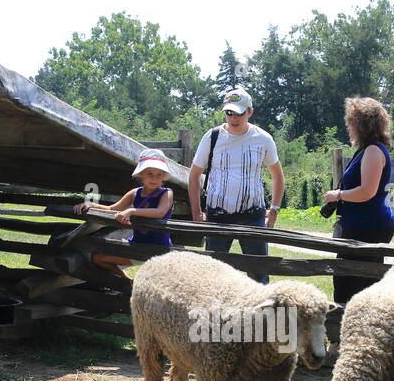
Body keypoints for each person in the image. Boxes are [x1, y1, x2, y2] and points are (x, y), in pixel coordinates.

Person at [189, 89, 284, 284]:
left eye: (239, 113)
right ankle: (214, 314)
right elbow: (194, 175)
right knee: (212, 275)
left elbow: (278, 176)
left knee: (258, 275)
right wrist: (196, 212)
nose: (233, 118)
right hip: (218, 216)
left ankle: (261, 314)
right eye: (229, 112)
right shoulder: (212, 136)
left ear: (250, 112)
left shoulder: (263, 138)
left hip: (252, 216)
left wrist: (274, 209)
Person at [322, 97, 394, 305]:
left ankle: (346, 332)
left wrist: (337, 195)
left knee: (350, 283)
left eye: (350, 123)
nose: (348, 128)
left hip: (367, 227)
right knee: (360, 283)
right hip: (365, 225)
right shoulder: (368, 150)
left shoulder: (373, 151)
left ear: (361, 125)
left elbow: (367, 192)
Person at [74, 148, 174, 279]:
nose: (154, 178)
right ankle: (129, 283)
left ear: (163, 177)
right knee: (98, 258)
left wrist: (132, 210)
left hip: (158, 249)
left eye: (159, 174)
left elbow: (160, 212)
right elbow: (113, 209)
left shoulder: (166, 193)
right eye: (150, 173)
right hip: (136, 245)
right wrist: (91, 205)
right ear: (141, 174)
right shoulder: (135, 193)